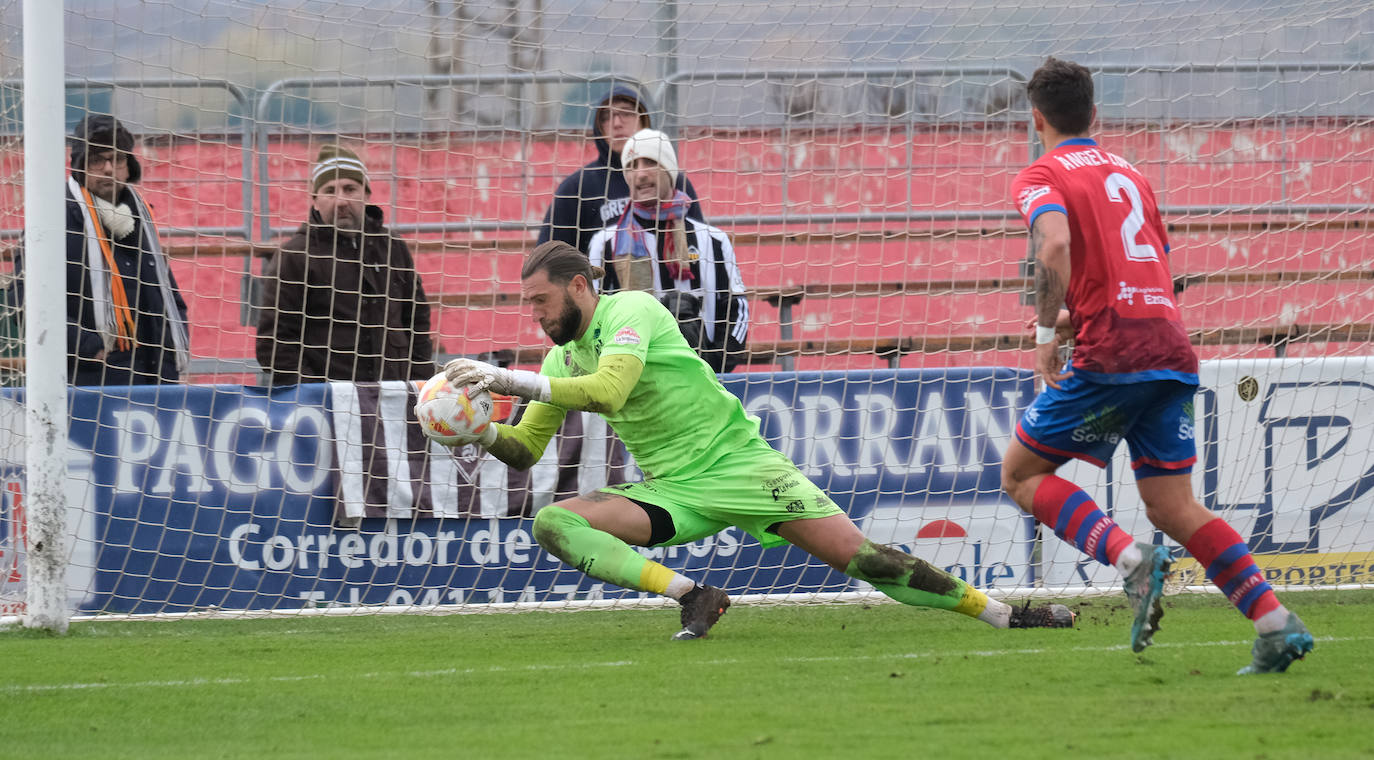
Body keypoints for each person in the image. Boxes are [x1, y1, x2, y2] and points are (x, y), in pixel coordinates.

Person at [439, 240, 1074, 640]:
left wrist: (501, 377)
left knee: (866, 560)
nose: (536, 316)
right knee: (553, 523)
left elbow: (608, 391)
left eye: (541, 301)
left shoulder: (632, 311)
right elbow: (524, 452)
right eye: (528, 306)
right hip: (675, 492)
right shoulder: (556, 364)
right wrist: (481, 429)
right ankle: (694, 596)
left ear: (580, 286)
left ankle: (1004, 614)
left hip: (741, 467)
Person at [1003, 57, 1314, 674]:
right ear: (1096, 114)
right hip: (1169, 346)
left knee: (1019, 474)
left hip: (1114, 354)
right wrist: (1076, 319)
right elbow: (1149, 274)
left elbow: (1056, 244)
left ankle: (1127, 559)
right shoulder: (1132, 175)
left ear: (1036, 118)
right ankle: (1276, 624)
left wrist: (1045, 333)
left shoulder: (1042, 172)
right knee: (1173, 505)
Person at [256, 144, 437, 385]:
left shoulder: (393, 247)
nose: (341, 200)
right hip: (326, 406)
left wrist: (417, 383)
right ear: (315, 201)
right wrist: (317, 395)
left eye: (350, 188)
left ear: (367, 195)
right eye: (330, 191)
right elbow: (275, 344)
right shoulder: (295, 256)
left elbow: (417, 320)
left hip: (394, 397)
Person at [587, 129, 749, 373]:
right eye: (631, 166)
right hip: (634, 382)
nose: (640, 174)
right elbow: (592, 319)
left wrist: (714, 366)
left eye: (650, 163)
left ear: (669, 170)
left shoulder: (714, 240)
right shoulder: (604, 244)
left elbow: (736, 309)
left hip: (705, 377)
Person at [57, 114, 191, 386]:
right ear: (81, 166)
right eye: (98, 159)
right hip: (87, 380)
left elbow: (168, 296)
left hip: (153, 378)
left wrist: (170, 348)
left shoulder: (140, 217)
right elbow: (26, 300)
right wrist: (87, 346)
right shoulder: (55, 219)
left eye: (117, 159)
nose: (109, 169)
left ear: (129, 166)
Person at [537, 84, 705, 257]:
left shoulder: (673, 180)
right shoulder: (576, 189)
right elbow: (547, 260)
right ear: (599, 128)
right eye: (606, 117)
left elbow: (700, 246)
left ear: (643, 120)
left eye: (626, 113)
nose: (617, 123)